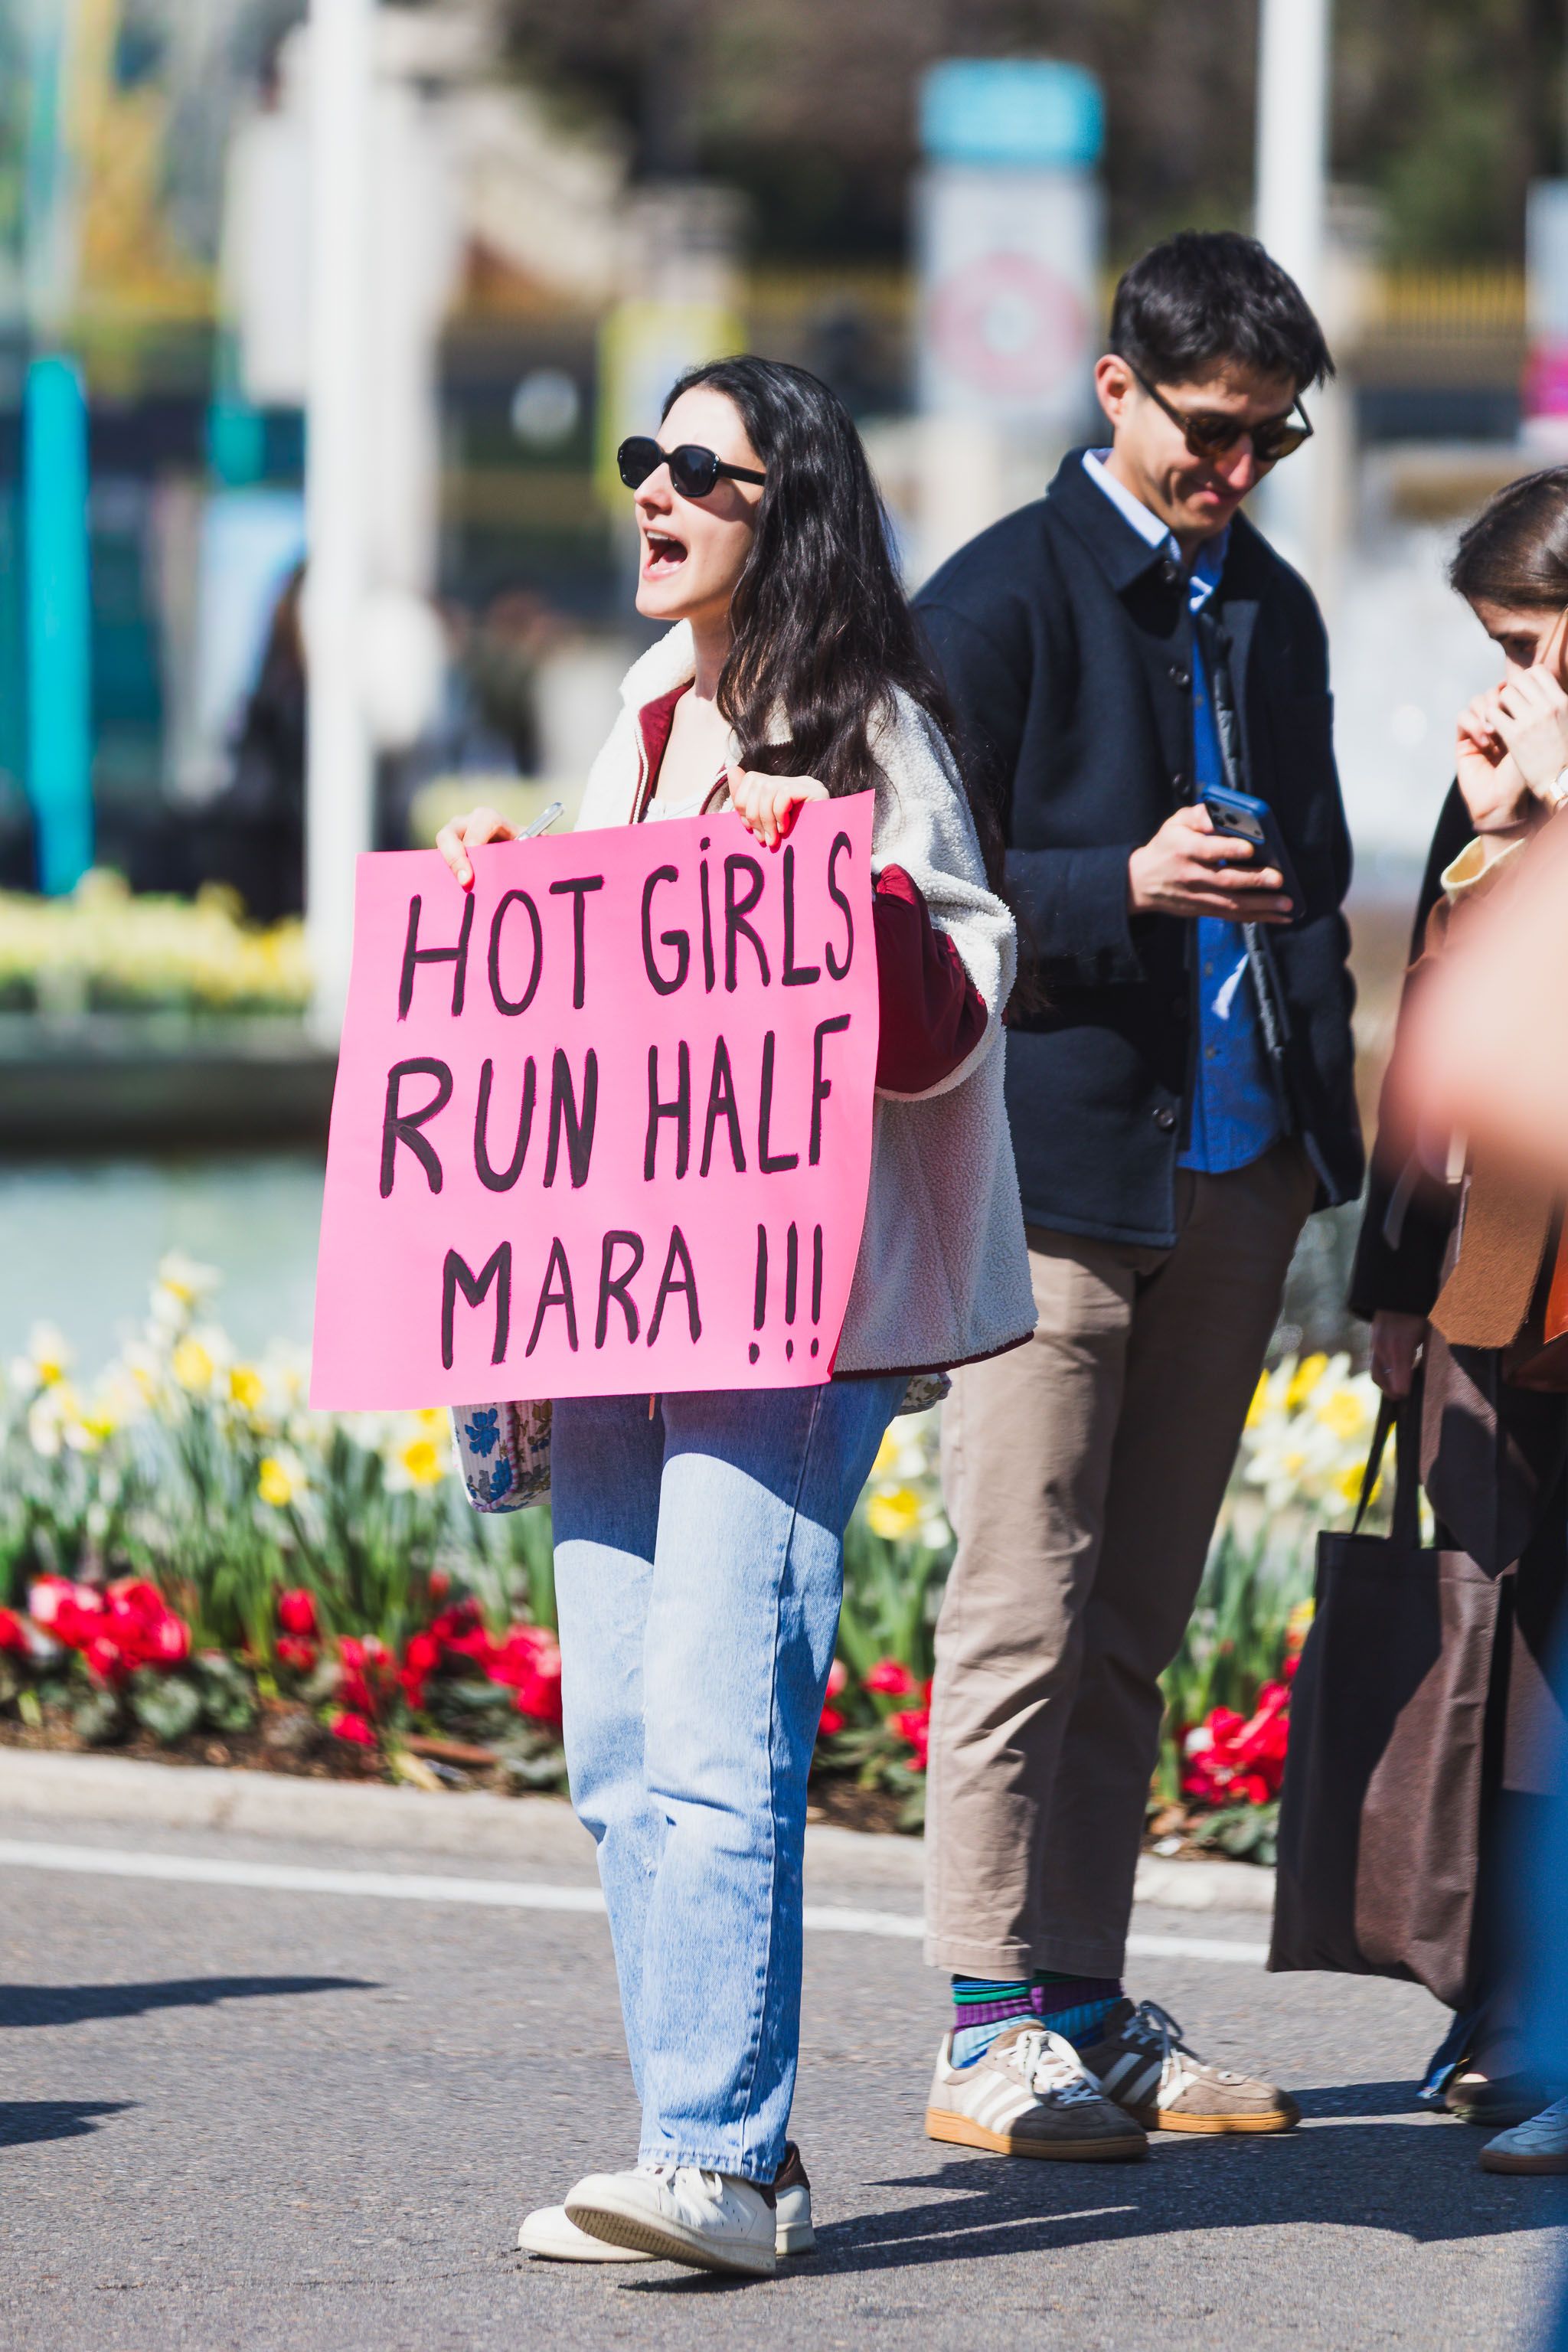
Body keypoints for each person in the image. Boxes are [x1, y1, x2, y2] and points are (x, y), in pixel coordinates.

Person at [434, 358, 1050, 2277]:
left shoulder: (863, 724)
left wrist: (838, 891)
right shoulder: (636, 717)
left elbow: (958, 1005)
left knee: (713, 1715)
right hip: (626, 1310)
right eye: (643, 459)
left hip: (793, 1318)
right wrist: (507, 905)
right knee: (621, 1737)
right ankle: (716, 2155)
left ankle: (713, 2146)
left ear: (791, 510)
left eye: (700, 467)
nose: (654, 492)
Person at [912, 230, 1364, 2150]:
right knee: (1019, 1600)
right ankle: (980, 2021)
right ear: (1117, 388)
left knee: (1137, 1620)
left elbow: (1327, 858)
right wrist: (1124, 887)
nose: (1238, 470)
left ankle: (1081, 2001)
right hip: (1054, 1175)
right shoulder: (997, 598)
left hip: (1237, 1172)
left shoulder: (1273, 607)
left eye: (1271, 438)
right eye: (1211, 431)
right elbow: (911, 893)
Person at [1354, 470, 1568, 2167]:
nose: (1506, 678)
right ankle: (1508, 2011)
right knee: (1502, 1632)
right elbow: (1440, 1039)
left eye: (1528, 641)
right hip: (1503, 1286)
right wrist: (1391, 1290)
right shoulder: (1506, 767)